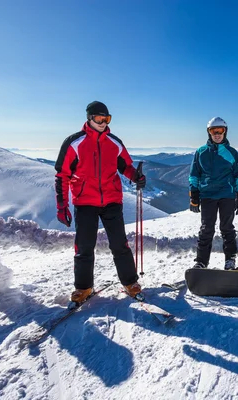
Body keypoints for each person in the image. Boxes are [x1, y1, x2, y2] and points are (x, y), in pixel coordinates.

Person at [55, 101, 147, 306]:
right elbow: (62, 175)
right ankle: (83, 287)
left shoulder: (114, 142)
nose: (103, 122)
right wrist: (62, 206)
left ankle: (130, 283)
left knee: (119, 244)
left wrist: (136, 177)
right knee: (84, 247)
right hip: (85, 201)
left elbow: (126, 166)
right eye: (99, 119)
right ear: (89, 118)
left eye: (107, 119)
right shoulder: (74, 143)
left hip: (112, 200)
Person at [189, 117, 238, 270]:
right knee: (206, 228)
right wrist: (194, 195)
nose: (217, 134)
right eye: (213, 131)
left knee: (227, 228)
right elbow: (194, 174)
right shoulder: (201, 152)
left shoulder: (232, 153)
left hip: (227, 194)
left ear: (225, 132)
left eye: (220, 131)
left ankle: (230, 260)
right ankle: (201, 262)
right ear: (209, 132)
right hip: (207, 195)